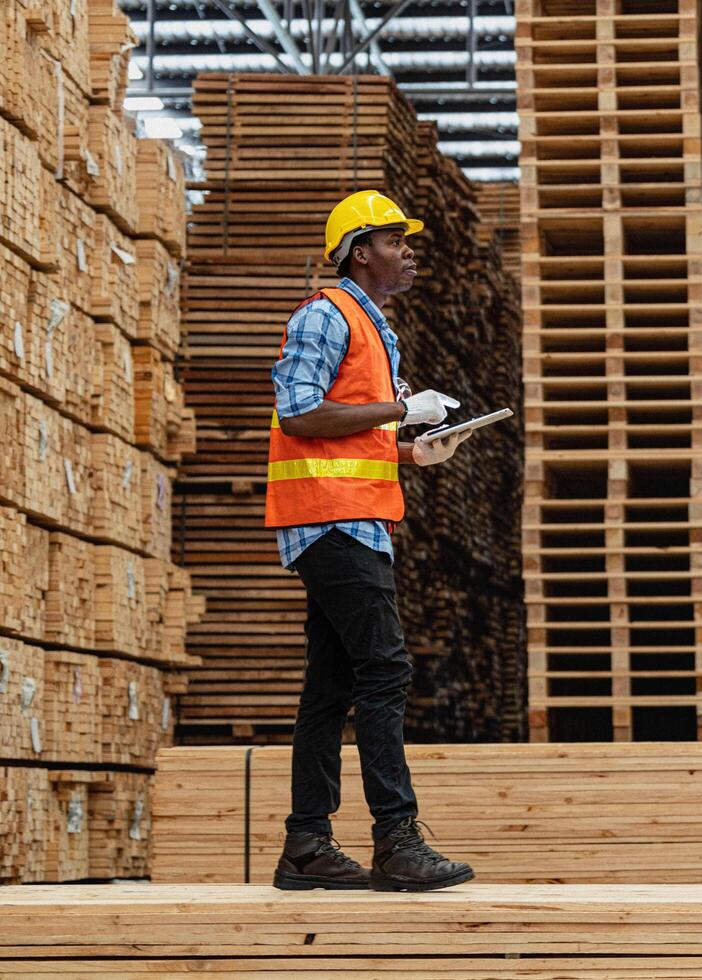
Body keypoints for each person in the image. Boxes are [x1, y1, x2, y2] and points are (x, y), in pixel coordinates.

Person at [264, 190, 475, 892]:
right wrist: (399, 409)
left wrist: (413, 453)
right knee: (385, 669)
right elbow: (299, 414)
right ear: (361, 252)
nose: (408, 249)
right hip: (330, 519)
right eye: (394, 239)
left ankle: (306, 846)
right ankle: (396, 840)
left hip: (351, 516)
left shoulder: (370, 326)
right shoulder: (327, 314)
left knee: (331, 685)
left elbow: (349, 433)